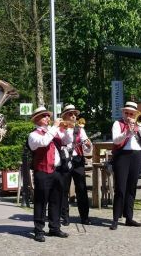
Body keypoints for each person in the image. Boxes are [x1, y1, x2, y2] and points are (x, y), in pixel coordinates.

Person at [28, 106, 70, 242]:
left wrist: (66, 129)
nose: (47, 118)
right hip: (42, 171)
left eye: (47, 115)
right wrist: (55, 127)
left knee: (56, 200)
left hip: (57, 170)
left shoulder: (53, 132)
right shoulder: (33, 135)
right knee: (41, 201)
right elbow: (44, 141)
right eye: (44, 116)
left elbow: (68, 141)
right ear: (37, 119)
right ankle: (38, 230)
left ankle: (54, 228)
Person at [110, 101, 141, 230]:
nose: (128, 115)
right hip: (122, 156)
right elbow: (115, 140)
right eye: (126, 113)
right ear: (123, 113)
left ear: (135, 114)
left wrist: (138, 128)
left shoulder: (139, 123)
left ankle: (129, 218)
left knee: (132, 187)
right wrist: (127, 132)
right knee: (120, 188)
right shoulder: (118, 123)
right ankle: (115, 219)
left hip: (136, 155)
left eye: (131, 113)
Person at [60, 104, 92, 226]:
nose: (73, 116)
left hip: (78, 160)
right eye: (70, 114)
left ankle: (84, 217)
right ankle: (64, 217)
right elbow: (64, 141)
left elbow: (86, 146)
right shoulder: (60, 129)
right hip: (65, 159)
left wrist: (88, 145)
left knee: (82, 188)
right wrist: (68, 128)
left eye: (75, 114)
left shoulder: (80, 129)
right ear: (64, 116)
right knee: (64, 189)